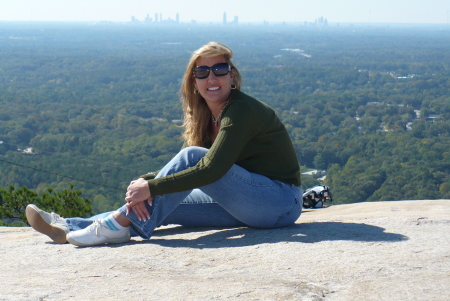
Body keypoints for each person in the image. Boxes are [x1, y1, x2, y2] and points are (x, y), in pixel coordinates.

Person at [26, 41, 302, 247]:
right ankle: (67, 227)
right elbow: (199, 173)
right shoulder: (208, 116)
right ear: (194, 82)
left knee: (189, 158)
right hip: (245, 205)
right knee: (162, 204)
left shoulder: (241, 110)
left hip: (278, 203)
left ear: (233, 75)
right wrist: (149, 184)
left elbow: (210, 168)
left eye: (220, 69)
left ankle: (112, 227)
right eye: (203, 72)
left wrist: (150, 185)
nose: (212, 78)